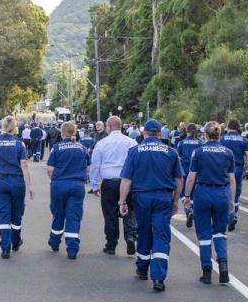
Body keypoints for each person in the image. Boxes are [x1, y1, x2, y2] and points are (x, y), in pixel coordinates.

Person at [119, 119, 183, 292]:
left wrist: (122, 201)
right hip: (163, 197)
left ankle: (142, 269)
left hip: (142, 197)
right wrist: (176, 201)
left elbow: (126, 180)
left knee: (144, 231)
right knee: (161, 235)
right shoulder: (171, 152)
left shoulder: (134, 151)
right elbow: (178, 179)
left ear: (144, 132)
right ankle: (159, 277)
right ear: (160, 133)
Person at [184, 122, 235, 285]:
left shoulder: (198, 152)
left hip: (203, 193)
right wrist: (232, 201)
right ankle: (223, 265)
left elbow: (191, 177)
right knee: (220, 232)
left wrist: (187, 196)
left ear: (205, 134)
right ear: (219, 134)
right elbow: (232, 179)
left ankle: (207, 271)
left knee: (204, 234)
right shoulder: (228, 152)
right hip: (221, 193)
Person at [89, 116, 138, 256]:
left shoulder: (102, 143)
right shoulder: (131, 142)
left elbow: (95, 165)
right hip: (127, 181)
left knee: (110, 213)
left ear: (109, 127)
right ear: (120, 126)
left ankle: (111, 244)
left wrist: (94, 184)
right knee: (129, 210)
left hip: (109, 182)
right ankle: (130, 237)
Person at [0, 116, 34, 259]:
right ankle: (15, 241)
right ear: (15, 128)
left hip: (1, 182)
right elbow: (24, 165)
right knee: (17, 213)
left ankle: (5, 248)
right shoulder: (19, 144)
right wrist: (30, 186)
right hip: (17, 183)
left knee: (3, 215)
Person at [47, 121, 89, 259]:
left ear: (62, 132)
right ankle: (72, 249)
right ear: (75, 132)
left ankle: (54, 241)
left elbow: (50, 169)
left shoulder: (56, 148)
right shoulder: (82, 148)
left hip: (59, 185)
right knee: (73, 217)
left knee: (58, 214)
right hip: (77, 185)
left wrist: (55, 179)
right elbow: (88, 168)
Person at [220, 120, 248, 231]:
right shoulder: (243, 140)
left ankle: (224, 217)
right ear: (238, 128)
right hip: (238, 168)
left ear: (228, 127)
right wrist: (245, 169)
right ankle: (234, 214)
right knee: (236, 192)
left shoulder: (222, 139)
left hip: (223, 168)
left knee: (223, 190)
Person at [176, 124, 203, 228]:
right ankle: (192, 209)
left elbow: (178, 157)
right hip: (196, 170)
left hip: (184, 168)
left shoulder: (181, 143)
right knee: (193, 192)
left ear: (186, 131)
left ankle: (189, 210)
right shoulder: (200, 143)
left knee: (183, 193)